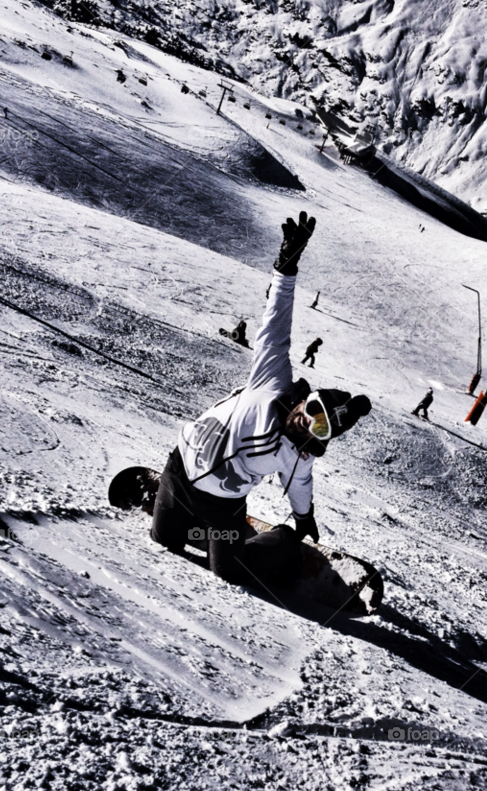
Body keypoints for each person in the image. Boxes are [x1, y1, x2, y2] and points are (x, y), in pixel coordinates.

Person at [151, 211, 371, 589]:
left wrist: (303, 519)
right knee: (164, 541)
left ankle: (272, 540)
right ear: (306, 400)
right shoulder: (273, 380)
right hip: (179, 472)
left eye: (321, 427)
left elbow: (300, 486)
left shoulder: (297, 456)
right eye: (314, 409)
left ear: (321, 438)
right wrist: (286, 266)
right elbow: (276, 323)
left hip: (222, 509)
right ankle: (187, 524)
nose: (310, 421)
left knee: (229, 570)